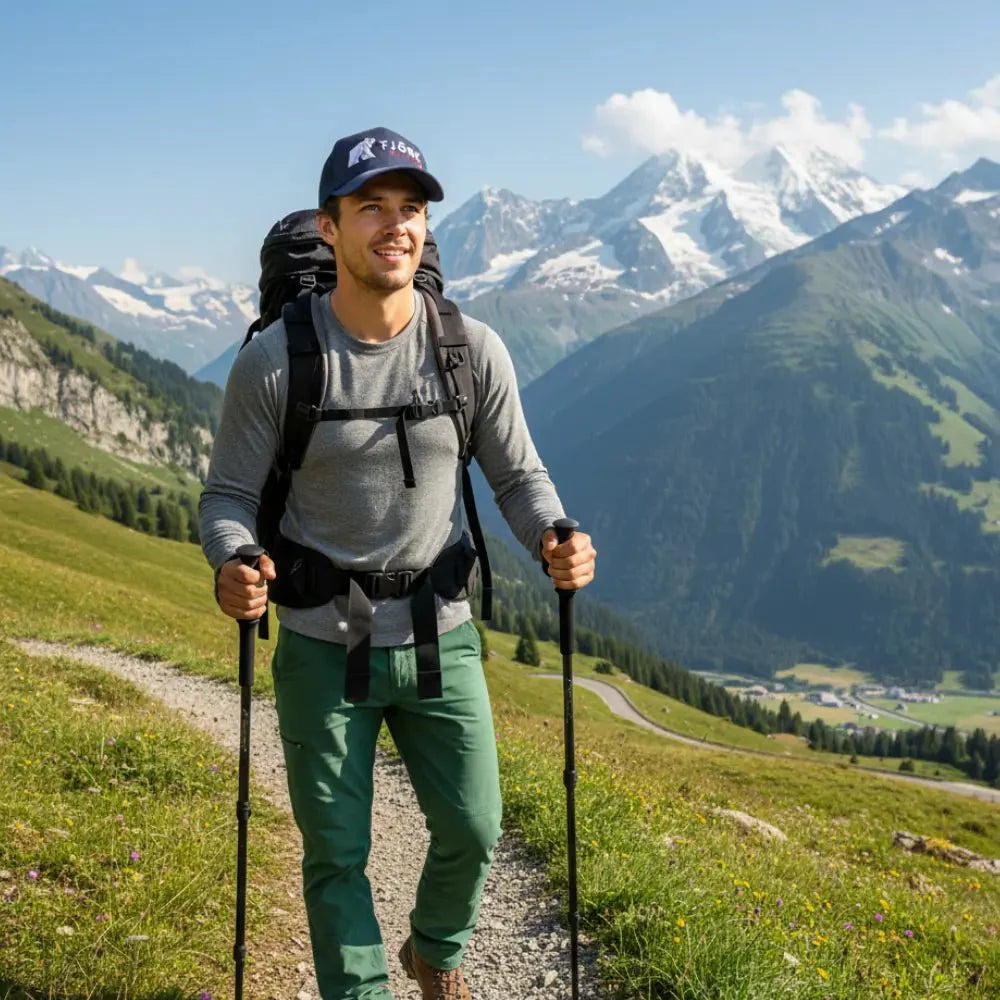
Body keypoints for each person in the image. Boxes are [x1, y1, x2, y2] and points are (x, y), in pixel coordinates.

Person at [199, 126, 597, 1000]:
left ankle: (436, 950)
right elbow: (227, 496)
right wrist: (235, 558)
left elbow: (518, 476)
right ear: (331, 226)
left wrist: (555, 535)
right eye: (371, 207)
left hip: (439, 634)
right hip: (315, 638)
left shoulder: (468, 350)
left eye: (410, 208)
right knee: (336, 854)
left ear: (425, 227)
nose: (395, 225)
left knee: (475, 826)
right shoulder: (277, 361)